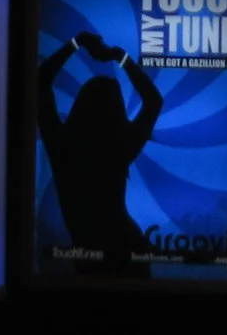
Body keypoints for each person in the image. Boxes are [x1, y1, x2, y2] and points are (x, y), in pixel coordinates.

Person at [35, 29, 163, 273]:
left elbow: (40, 82)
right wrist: (118, 56)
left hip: (89, 261)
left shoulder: (63, 150)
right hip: (129, 253)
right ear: (117, 115)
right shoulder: (120, 148)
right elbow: (154, 101)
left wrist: (77, 42)